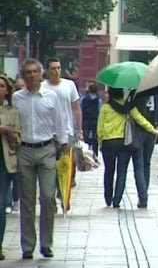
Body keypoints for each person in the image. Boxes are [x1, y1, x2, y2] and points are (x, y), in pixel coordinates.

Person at [13, 58, 69, 259]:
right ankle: (28, 245)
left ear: (40, 73)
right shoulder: (17, 98)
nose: (31, 75)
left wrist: (64, 145)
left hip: (46, 149)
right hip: (24, 150)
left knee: (47, 196)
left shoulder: (51, 96)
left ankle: (47, 243)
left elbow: (60, 121)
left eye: (34, 72)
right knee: (26, 200)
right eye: (27, 72)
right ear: (23, 75)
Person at [97, 87, 158, 208]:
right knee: (122, 172)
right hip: (123, 143)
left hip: (108, 143)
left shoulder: (105, 107)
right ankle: (117, 200)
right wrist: (153, 130)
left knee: (109, 171)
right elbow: (140, 119)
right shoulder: (128, 107)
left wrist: (100, 142)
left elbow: (100, 127)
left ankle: (108, 197)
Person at [42, 57, 83, 188]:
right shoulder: (42, 87)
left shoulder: (69, 85)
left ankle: (68, 181)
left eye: (58, 68)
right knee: (51, 163)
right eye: (53, 68)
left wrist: (80, 130)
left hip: (67, 130)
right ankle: (53, 184)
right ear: (47, 71)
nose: (56, 71)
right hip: (48, 132)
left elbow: (76, 108)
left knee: (66, 160)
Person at [0, 74, 21, 260]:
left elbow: (17, 138)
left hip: (3, 163)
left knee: (0, 205)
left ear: (7, 90)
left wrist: (8, 132)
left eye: (1, 86)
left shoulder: (12, 112)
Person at [134, 94, 158, 191]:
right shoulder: (157, 95)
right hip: (151, 130)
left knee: (139, 164)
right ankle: (145, 189)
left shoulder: (138, 94)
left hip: (139, 130)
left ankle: (142, 194)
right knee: (146, 162)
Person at [81, 82, 102, 157]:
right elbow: (100, 110)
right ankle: (95, 154)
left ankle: (86, 154)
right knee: (95, 138)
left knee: (86, 137)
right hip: (95, 120)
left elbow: (81, 108)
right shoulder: (99, 100)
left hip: (86, 120)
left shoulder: (84, 99)